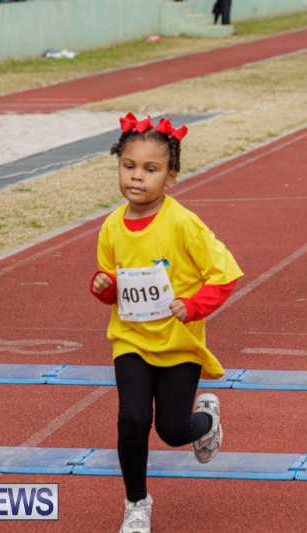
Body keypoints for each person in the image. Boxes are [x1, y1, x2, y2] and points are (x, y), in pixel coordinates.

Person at [90, 112, 243, 533]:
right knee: (133, 420)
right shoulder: (111, 227)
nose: (137, 178)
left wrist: (192, 306)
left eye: (150, 169)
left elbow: (225, 273)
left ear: (171, 176)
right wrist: (103, 285)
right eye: (129, 166)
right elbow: (113, 288)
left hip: (178, 345)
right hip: (131, 341)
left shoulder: (183, 223)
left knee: (173, 431)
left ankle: (206, 419)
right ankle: (136, 503)